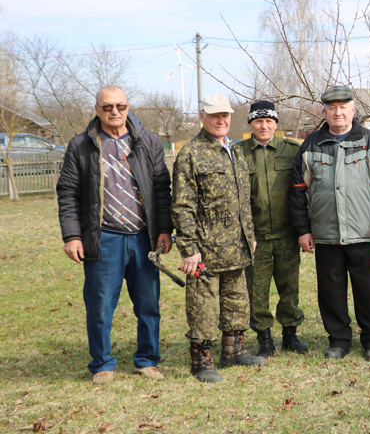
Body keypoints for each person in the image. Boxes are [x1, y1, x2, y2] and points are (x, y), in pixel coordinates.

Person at [57, 85, 173, 385]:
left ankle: (147, 361)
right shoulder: (81, 145)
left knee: (149, 305)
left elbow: (161, 189)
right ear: (97, 109)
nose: (115, 112)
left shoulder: (148, 142)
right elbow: (67, 192)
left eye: (120, 106)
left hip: (143, 237)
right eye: (107, 107)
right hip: (103, 237)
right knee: (100, 306)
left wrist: (164, 230)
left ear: (128, 106)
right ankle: (102, 364)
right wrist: (72, 235)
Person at [289, 86, 370, 362]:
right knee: (330, 291)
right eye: (332, 108)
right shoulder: (311, 144)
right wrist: (303, 230)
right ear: (324, 112)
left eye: (343, 107)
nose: (338, 112)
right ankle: (338, 340)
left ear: (353, 110)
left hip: (363, 232)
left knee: (369, 291)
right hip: (326, 234)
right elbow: (298, 191)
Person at [172, 94, 266, 383]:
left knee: (237, 300)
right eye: (214, 116)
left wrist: (248, 235)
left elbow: (243, 200)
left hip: (236, 245)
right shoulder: (191, 154)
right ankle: (202, 361)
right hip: (206, 249)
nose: (221, 120)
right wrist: (189, 249)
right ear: (202, 117)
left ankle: (234, 351)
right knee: (203, 306)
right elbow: (182, 205)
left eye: (225, 115)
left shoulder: (235, 151)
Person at [236, 100, 308, 358]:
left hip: (288, 235)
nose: (264, 126)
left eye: (269, 121)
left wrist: (303, 229)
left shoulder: (292, 150)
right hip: (257, 239)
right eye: (258, 121)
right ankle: (264, 338)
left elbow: (303, 190)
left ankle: (291, 335)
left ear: (276, 124)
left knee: (290, 288)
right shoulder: (239, 153)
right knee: (257, 292)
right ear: (251, 124)